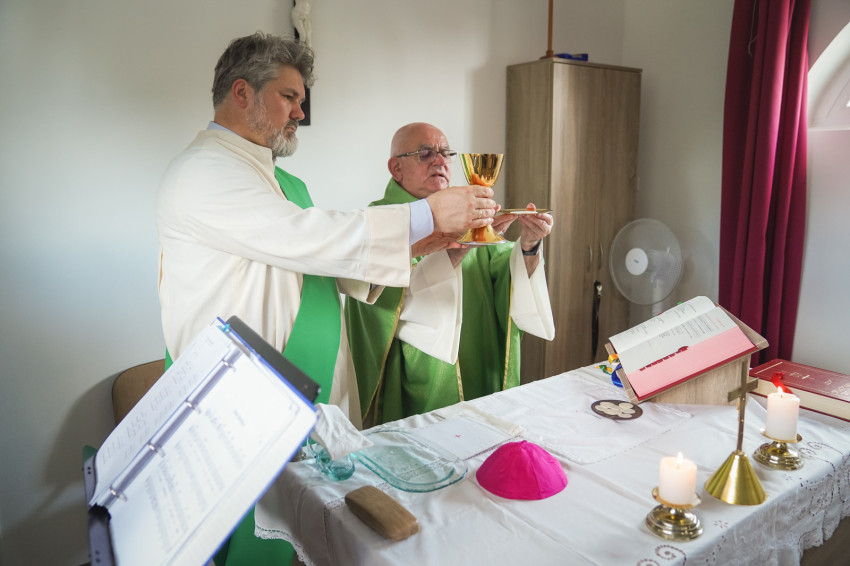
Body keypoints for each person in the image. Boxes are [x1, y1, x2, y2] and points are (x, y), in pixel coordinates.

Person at [156, 34, 496, 566]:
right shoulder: (203, 171)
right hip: (241, 400)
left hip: (294, 389)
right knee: (254, 539)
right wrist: (425, 214)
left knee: (306, 531)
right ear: (242, 93)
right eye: (289, 97)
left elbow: (311, 261)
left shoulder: (274, 178)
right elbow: (304, 236)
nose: (300, 112)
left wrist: (419, 245)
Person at [345, 122, 556, 428]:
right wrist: (455, 252)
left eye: (446, 153)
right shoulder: (380, 219)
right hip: (417, 368)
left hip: (478, 354)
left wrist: (528, 244)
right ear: (396, 168)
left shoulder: (468, 214)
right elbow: (372, 299)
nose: (440, 161)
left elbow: (503, 271)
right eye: (425, 154)